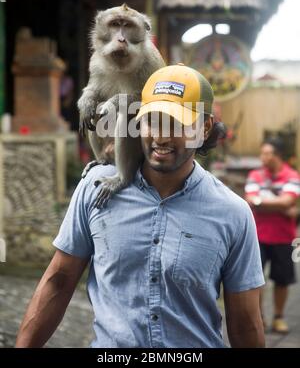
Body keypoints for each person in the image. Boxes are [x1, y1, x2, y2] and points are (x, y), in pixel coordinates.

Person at [16, 64, 265, 348]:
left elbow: (245, 321)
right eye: (152, 121)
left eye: (176, 124)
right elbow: (59, 281)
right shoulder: (97, 187)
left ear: (204, 127)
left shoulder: (232, 213)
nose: (161, 137)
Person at [245, 138, 300, 334]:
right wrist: (279, 204)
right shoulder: (255, 175)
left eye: (266, 153)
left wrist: (261, 201)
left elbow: (288, 202)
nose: (262, 157)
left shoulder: (292, 175)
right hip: (256, 237)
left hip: (284, 238)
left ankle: (278, 317)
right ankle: (259, 317)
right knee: (255, 280)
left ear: (277, 155)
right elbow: (250, 199)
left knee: (282, 280)